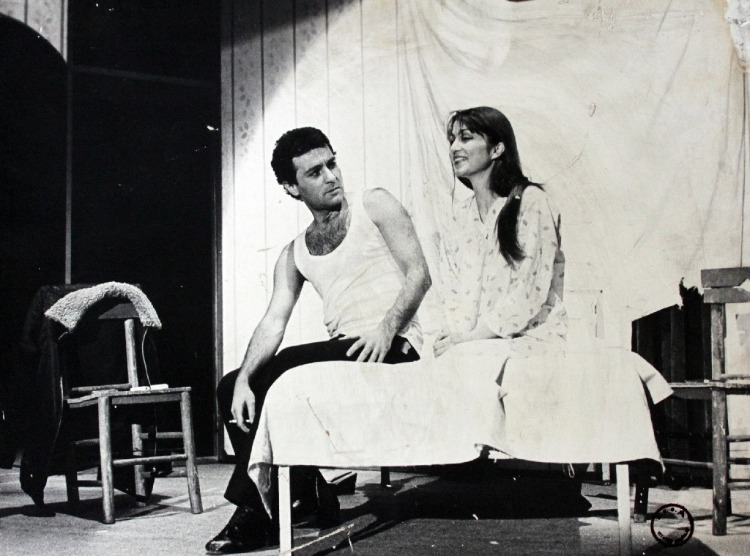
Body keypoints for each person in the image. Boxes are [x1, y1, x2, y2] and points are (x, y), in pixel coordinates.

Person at [206, 127, 432, 554]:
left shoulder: (374, 205)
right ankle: (308, 494)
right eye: (315, 172)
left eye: (332, 164)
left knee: (285, 366)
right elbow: (273, 321)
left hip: (397, 346)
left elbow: (420, 274)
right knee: (231, 386)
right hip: (346, 353)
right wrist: (244, 380)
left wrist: (386, 329)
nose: (331, 176)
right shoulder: (295, 252)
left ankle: (255, 512)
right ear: (292, 188)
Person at [433, 105, 566, 359]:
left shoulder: (531, 202)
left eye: (466, 138)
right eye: (452, 140)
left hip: (531, 340)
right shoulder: (458, 217)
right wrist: (457, 339)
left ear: (496, 149)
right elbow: (451, 292)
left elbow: (529, 291)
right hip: (474, 344)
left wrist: (470, 340)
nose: (454, 148)